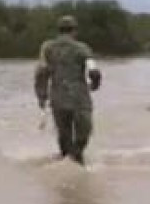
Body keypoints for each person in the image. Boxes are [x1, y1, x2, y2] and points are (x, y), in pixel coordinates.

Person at [34, 15, 101, 165]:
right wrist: (95, 84)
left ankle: (67, 162)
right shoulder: (82, 48)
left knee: (64, 135)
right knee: (84, 132)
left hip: (58, 97)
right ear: (74, 31)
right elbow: (94, 71)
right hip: (79, 98)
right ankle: (76, 159)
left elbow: (41, 74)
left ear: (58, 30)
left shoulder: (47, 48)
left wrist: (41, 97)